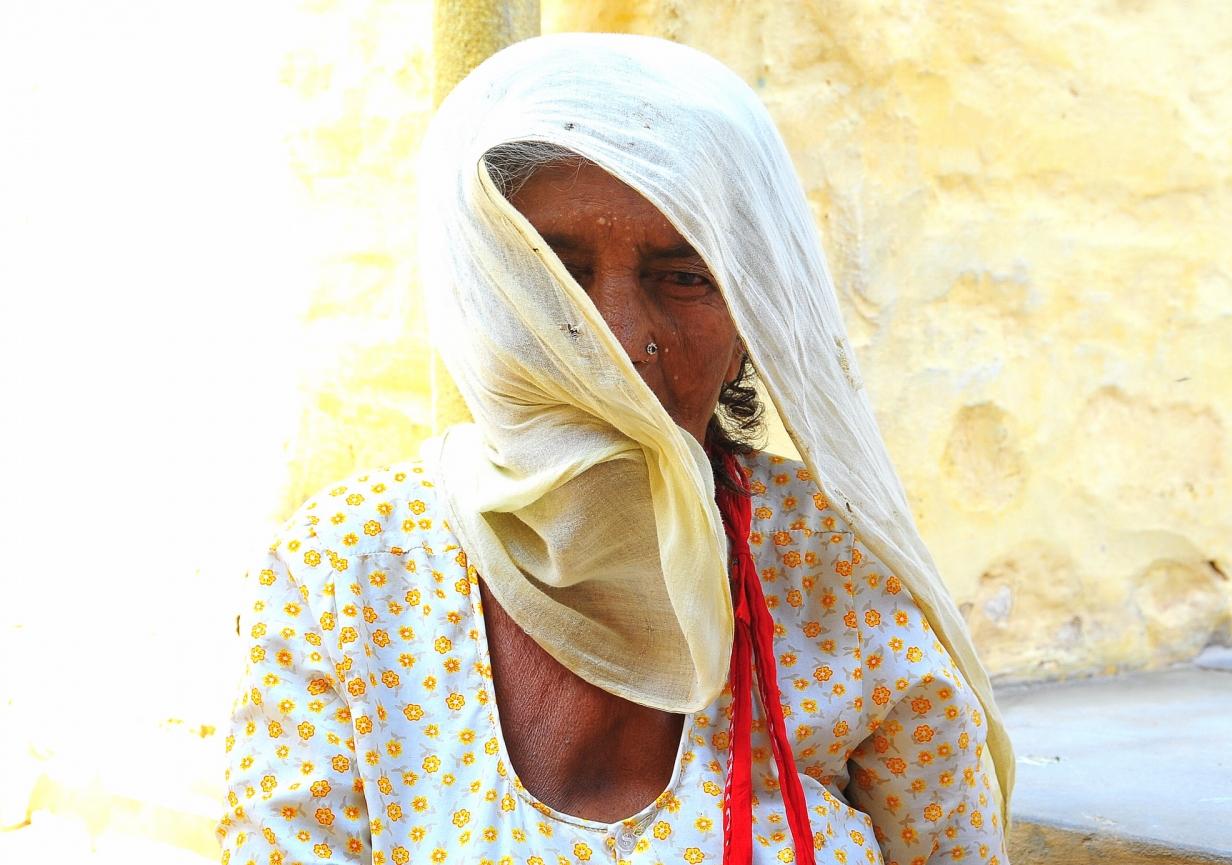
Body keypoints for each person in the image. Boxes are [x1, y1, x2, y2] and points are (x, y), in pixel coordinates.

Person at [219, 33, 1012, 865]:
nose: (622, 341)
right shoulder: (350, 572)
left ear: (752, 320)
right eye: (556, 275)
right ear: (481, 296)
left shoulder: (832, 564)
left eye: (685, 276)